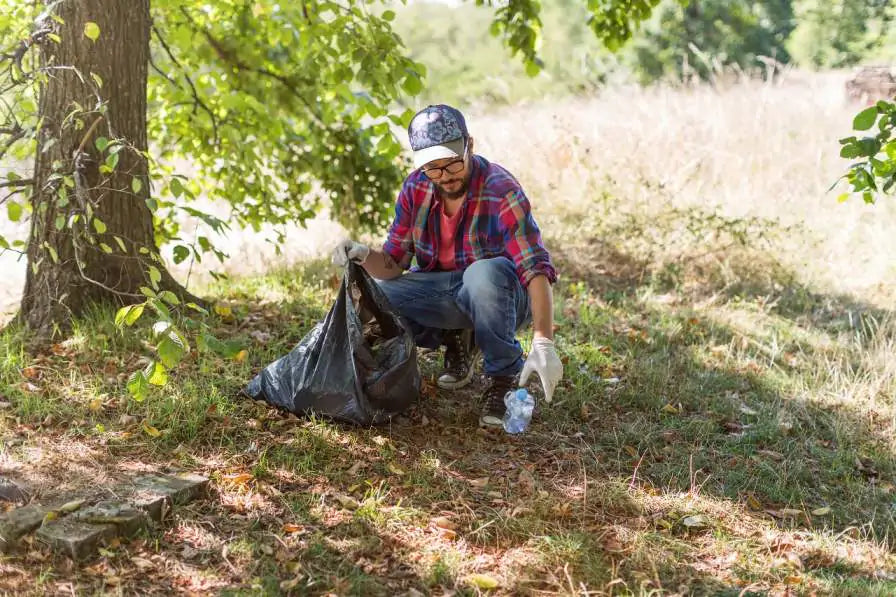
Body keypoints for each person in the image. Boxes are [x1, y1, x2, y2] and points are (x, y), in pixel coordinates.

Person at [333, 104, 562, 427]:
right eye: (433, 168)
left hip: (502, 296)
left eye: (452, 163)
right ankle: (455, 338)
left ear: (470, 144)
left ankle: (502, 378)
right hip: (445, 290)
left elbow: (535, 267)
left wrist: (543, 340)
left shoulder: (500, 189)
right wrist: (361, 253)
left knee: (482, 273)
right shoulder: (416, 188)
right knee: (380, 295)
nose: (445, 176)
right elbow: (394, 264)